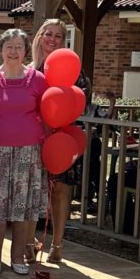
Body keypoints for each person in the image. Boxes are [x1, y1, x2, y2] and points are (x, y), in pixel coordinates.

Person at [0, 28, 48, 275]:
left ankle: (18, 255)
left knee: (22, 206)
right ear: (1, 50)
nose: (13, 51)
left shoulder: (38, 79)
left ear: (25, 50)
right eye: (9, 46)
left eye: (19, 46)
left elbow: (48, 115)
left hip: (29, 153)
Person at [31, 18, 91, 262]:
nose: (53, 40)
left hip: (63, 138)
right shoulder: (30, 69)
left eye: (58, 36)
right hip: (34, 137)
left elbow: (82, 100)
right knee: (33, 191)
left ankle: (57, 244)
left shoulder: (74, 69)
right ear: (40, 37)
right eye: (49, 34)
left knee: (60, 191)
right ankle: (31, 241)